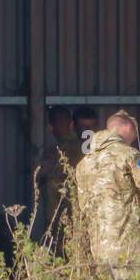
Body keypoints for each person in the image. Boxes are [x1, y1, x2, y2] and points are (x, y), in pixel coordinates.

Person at [74, 110, 140, 280]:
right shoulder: (131, 155)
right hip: (127, 244)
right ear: (127, 128)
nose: (135, 138)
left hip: (98, 246)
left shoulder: (84, 163)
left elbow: (83, 205)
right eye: (135, 133)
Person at [34, 106, 85, 251]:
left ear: (50, 127)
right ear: (71, 124)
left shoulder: (52, 153)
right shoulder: (88, 150)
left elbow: (40, 176)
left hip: (57, 224)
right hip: (84, 221)